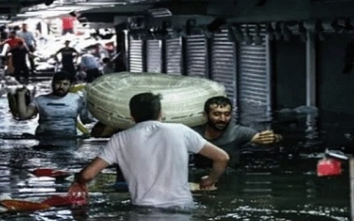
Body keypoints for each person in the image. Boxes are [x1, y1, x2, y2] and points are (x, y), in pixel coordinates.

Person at [68, 92, 229, 208]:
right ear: (161, 113)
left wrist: (79, 183)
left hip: (145, 210)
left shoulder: (121, 138)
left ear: (132, 116)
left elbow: (88, 174)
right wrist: (211, 179)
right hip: (182, 207)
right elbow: (222, 157)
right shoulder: (181, 130)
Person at [192, 96, 283, 168]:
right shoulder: (194, 134)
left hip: (231, 174)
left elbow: (260, 138)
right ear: (205, 115)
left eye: (227, 114)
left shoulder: (238, 133)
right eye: (217, 114)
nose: (223, 119)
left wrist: (274, 138)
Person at [15, 71, 95, 137]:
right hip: (43, 140)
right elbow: (23, 115)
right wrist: (20, 95)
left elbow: (87, 119)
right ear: (52, 84)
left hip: (69, 140)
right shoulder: (40, 100)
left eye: (65, 84)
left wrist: (91, 101)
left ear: (70, 85)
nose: (61, 86)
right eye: (58, 83)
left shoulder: (78, 99)